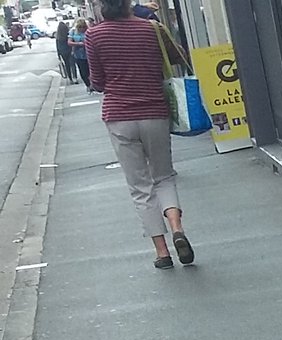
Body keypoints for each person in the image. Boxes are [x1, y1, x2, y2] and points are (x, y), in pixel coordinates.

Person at [86, 0, 193, 269]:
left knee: (140, 187)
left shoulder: (94, 35)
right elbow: (178, 58)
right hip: (154, 111)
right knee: (164, 176)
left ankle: (162, 252)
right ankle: (177, 228)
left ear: (102, 8)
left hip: (119, 116)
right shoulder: (150, 29)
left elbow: (97, 82)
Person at [69, 18, 89, 90]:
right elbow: (69, 42)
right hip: (78, 54)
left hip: (89, 53)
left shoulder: (88, 30)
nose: (82, 28)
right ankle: (88, 85)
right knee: (82, 70)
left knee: (90, 69)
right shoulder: (73, 31)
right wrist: (78, 43)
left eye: (83, 27)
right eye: (80, 27)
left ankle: (92, 84)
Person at [53, 18, 73, 84]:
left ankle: (70, 78)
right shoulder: (68, 34)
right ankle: (74, 76)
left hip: (63, 52)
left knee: (67, 65)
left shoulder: (58, 37)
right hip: (69, 50)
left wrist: (59, 55)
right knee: (72, 64)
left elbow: (57, 46)